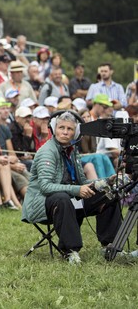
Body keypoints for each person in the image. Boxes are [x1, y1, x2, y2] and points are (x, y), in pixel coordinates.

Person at [21, 111, 122, 264]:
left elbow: (82, 182)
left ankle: (110, 245)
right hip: (42, 203)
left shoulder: (72, 150)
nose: (65, 132)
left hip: (68, 199)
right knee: (62, 198)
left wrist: (105, 182)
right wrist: (76, 190)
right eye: (61, 128)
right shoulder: (47, 152)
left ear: (76, 133)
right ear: (54, 129)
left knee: (109, 195)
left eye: (70, 129)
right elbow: (45, 186)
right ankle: (70, 251)